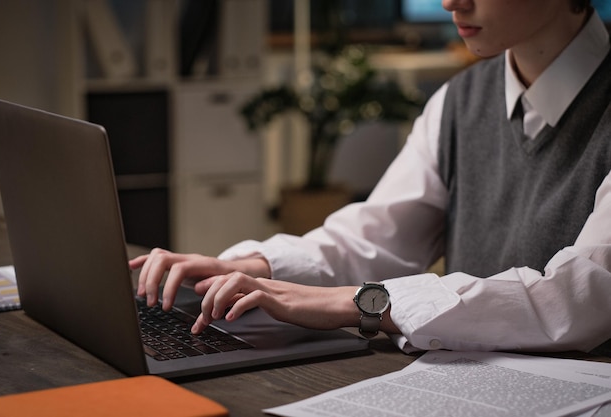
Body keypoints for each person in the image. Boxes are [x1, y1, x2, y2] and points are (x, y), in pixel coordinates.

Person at [131, 0, 611, 354]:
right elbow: (379, 237)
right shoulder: (458, 102)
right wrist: (260, 268)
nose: (449, 2)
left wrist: (361, 304)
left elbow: (577, 298)